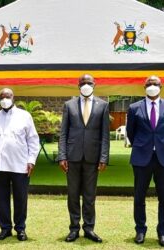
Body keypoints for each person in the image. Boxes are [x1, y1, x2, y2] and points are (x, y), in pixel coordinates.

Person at [58, 74, 110, 243]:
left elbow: (105, 134)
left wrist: (103, 158)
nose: (86, 85)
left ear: (94, 85)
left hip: (93, 157)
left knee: (89, 195)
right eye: (83, 83)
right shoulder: (69, 105)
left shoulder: (103, 105)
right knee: (73, 195)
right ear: (78, 85)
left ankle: (89, 228)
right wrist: (62, 156)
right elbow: (63, 133)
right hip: (72, 157)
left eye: (89, 82)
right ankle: (74, 229)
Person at [0, 88, 39, 241]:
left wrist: (31, 160)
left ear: (13, 97)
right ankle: (5, 228)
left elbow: (33, 140)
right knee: (1, 198)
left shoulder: (25, 116)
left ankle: (20, 229)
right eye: (1, 97)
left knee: (21, 198)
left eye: (7, 96)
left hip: (20, 165)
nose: (4, 99)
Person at [126, 75, 164, 246]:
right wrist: (143, 146)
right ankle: (140, 230)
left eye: (155, 83)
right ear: (144, 87)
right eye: (149, 83)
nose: (152, 86)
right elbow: (130, 132)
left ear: (161, 86)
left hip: (163, 158)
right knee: (139, 197)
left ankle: (162, 232)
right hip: (141, 158)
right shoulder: (134, 108)